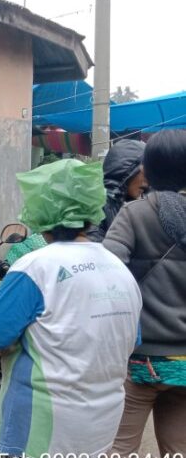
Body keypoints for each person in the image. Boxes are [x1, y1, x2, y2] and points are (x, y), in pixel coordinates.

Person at [0, 159, 142, 457]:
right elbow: (130, 341)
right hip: (102, 426)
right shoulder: (120, 270)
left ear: (40, 212)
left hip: (41, 431)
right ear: (92, 209)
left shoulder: (35, 267)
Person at [103, 129, 186, 455]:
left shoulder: (136, 213)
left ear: (147, 170)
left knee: (120, 447)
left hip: (142, 359)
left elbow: (107, 271)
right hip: (184, 361)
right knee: (179, 448)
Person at [87, 139, 147, 242]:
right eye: (145, 173)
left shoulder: (121, 203)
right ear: (129, 170)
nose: (147, 183)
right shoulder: (98, 205)